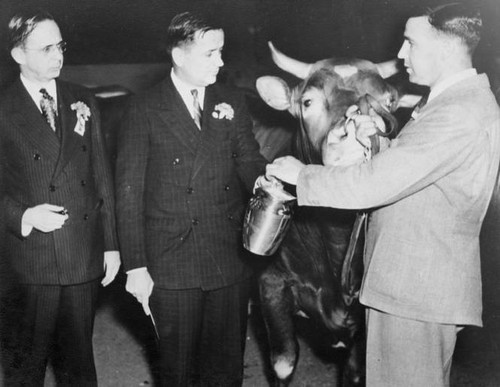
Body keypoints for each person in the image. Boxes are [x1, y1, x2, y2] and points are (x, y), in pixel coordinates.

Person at [266, 3, 500, 386]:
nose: (402, 54)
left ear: (443, 48)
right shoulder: (450, 103)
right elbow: (417, 171)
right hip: (406, 285)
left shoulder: (458, 112)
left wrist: (302, 175)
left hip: (416, 291)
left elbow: (376, 184)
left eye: (410, 43)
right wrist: (373, 140)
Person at [115, 11, 266, 386]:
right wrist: (135, 266)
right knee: (178, 371)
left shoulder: (232, 100)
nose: (221, 61)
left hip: (228, 256)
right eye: (210, 53)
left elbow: (250, 161)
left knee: (227, 369)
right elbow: (128, 192)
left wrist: (279, 182)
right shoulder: (143, 108)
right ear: (179, 56)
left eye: (222, 52)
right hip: (171, 261)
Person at [0, 10, 120, 385]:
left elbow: (102, 177)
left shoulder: (82, 99)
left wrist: (112, 246)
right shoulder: (3, 107)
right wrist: (23, 215)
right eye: (46, 48)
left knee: (80, 368)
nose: (58, 56)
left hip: (81, 255)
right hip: (28, 261)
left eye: (61, 46)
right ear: (18, 54)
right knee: (26, 367)